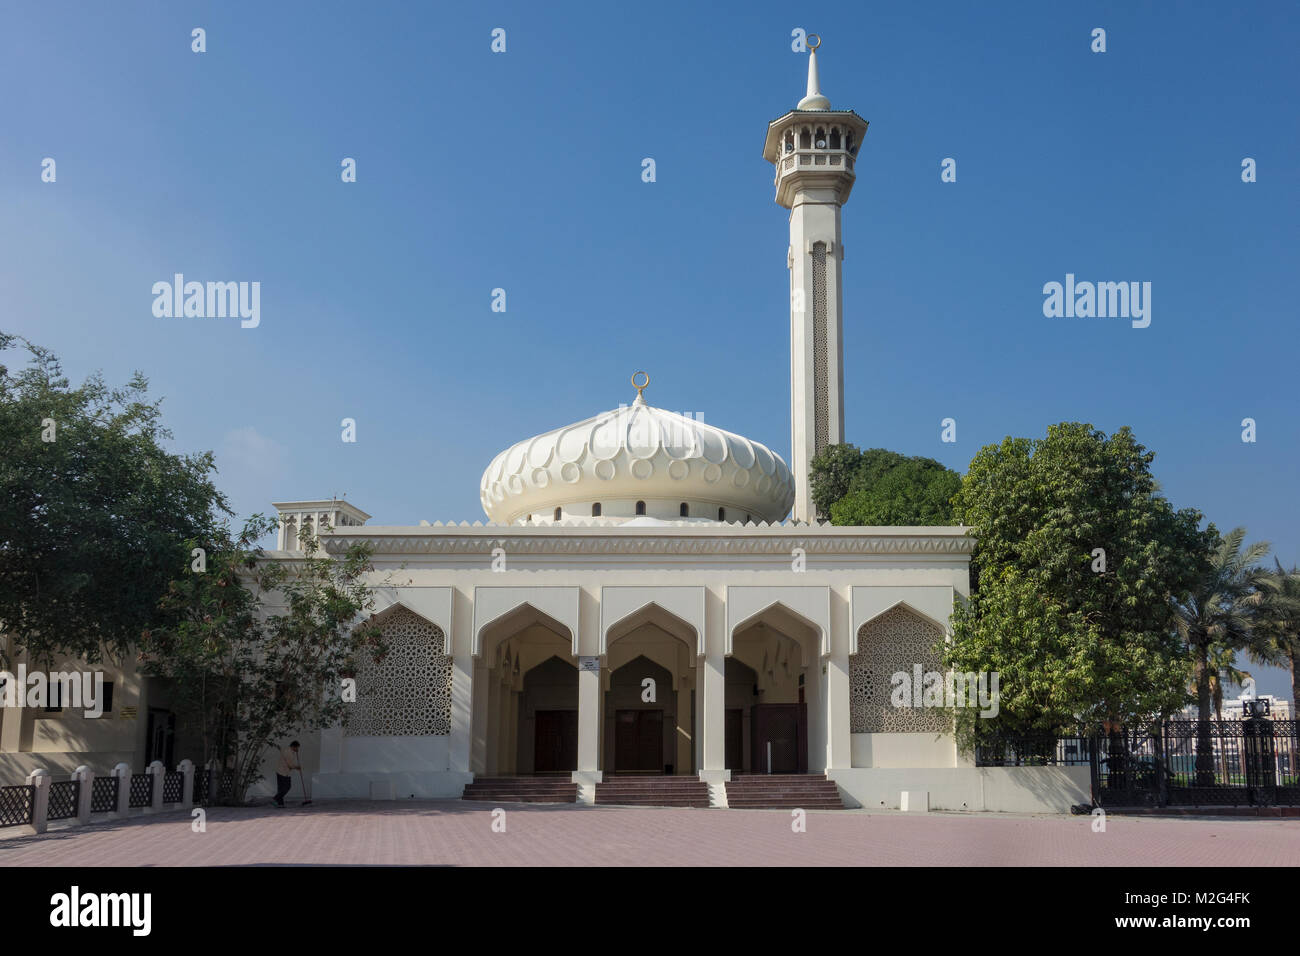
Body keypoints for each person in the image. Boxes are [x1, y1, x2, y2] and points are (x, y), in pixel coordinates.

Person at [274, 740, 301, 808]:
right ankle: (276, 798)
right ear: (293, 746)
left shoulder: (289, 751)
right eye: (297, 748)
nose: (297, 749)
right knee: (287, 787)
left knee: (281, 788)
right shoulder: (289, 752)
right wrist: (297, 767)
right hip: (283, 772)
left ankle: (280, 804)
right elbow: (290, 765)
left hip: (281, 771)